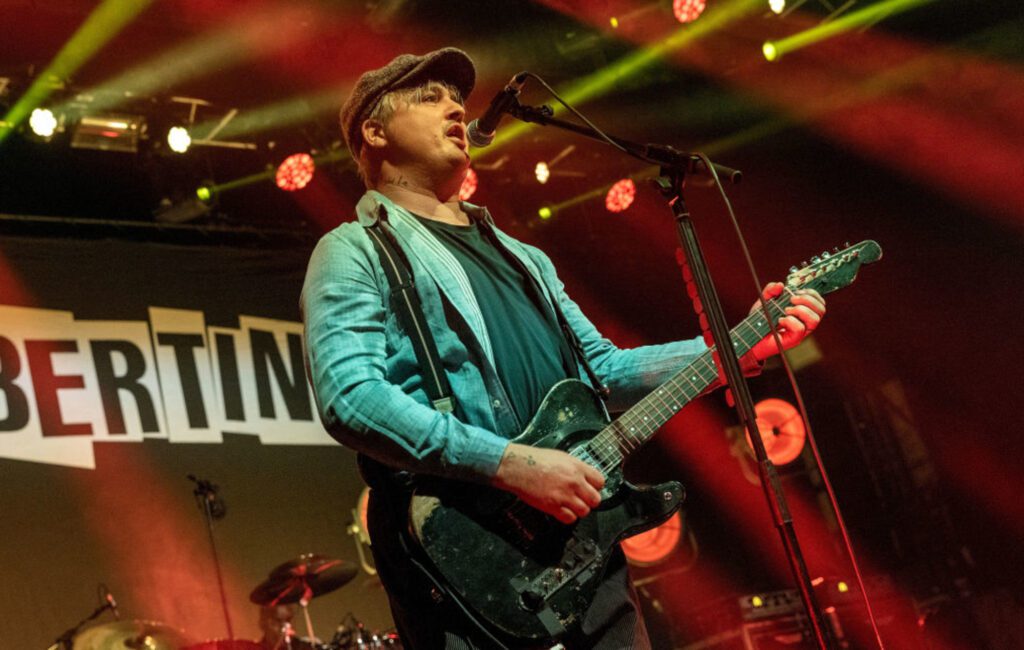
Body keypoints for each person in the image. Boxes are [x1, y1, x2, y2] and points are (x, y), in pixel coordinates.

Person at [301, 48, 825, 650]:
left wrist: (741, 345)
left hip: (581, 547)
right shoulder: (354, 250)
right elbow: (351, 398)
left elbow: (605, 371)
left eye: (458, 99)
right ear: (375, 132)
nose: (455, 109)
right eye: (429, 97)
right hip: (467, 559)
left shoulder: (526, 258)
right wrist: (513, 466)